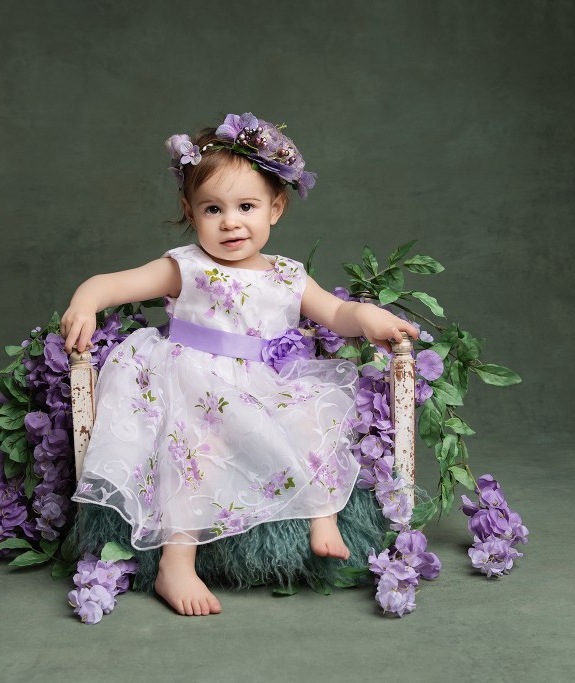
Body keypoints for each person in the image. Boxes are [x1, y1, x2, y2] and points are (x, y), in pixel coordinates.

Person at [62, 112, 418, 617]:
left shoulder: (288, 275)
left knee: (312, 420)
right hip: (194, 383)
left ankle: (322, 516)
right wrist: (84, 302)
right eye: (213, 209)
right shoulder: (186, 267)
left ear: (276, 208)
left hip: (263, 384)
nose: (230, 221)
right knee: (195, 456)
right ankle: (176, 563)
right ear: (189, 211)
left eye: (246, 206)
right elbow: (111, 284)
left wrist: (369, 317)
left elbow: (337, 314)